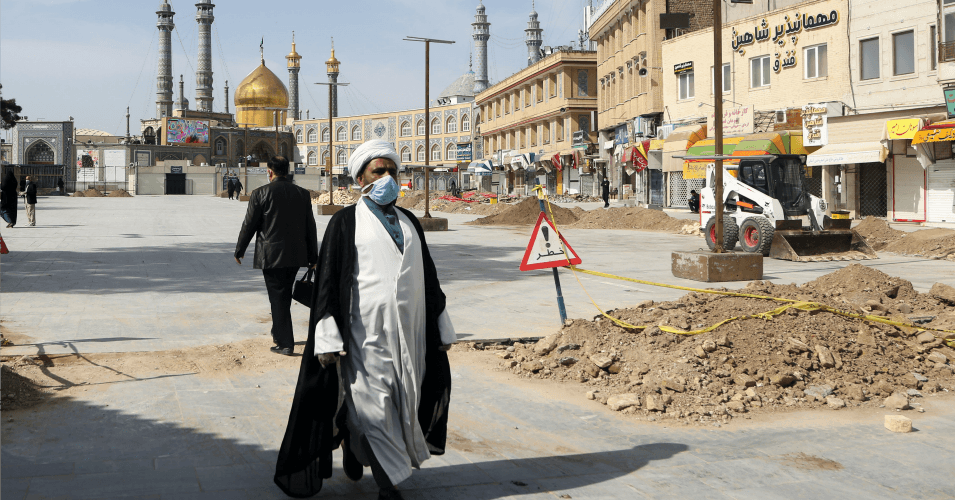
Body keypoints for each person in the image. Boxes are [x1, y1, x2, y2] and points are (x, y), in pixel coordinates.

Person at [273, 140, 455, 500]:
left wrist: (441, 321)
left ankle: (354, 445)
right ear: (360, 178)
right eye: (379, 171)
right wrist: (326, 335)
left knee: (398, 405)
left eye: (393, 171)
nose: (388, 178)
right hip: (365, 338)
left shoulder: (410, 223)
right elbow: (328, 281)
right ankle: (390, 485)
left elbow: (428, 278)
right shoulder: (345, 222)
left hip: (410, 339)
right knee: (374, 407)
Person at [234, 156, 318, 356]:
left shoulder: (260, 193)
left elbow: (249, 225)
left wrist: (240, 250)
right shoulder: (302, 194)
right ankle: (278, 331)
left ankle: (284, 343)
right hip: (296, 255)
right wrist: (313, 257)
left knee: (278, 297)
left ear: (270, 172)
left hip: (271, 256)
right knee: (283, 295)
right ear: (287, 170)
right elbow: (310, 227)